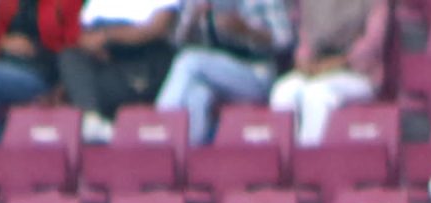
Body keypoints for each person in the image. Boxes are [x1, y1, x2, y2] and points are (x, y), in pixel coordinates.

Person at [155, 0, 292, 144]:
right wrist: (192, 22)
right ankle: (189, 158)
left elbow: (285, 39)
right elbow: (176, 41)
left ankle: (160, 129)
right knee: (198, 96)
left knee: (189, 61)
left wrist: (246, 30)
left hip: (254, 73)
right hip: (212, 73)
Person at [0, 0, 83, 144]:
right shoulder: (7, 3)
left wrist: (34, 48)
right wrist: (0, 42)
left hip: (39, 74)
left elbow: (73, 48)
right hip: (1, 69)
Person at [268, 0, 384, 145]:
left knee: (317, 93)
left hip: (358, 76)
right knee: (284, 90)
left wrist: (330, 65)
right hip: (317, 70)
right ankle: (285, 160)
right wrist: (306, 59)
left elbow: (366, 52)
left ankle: (308, 159)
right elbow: (305, 47)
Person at [61, 0, 180, 140]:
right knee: (70, 54)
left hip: (144, 61)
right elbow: (80, 30)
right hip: (107, 63)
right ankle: (92, 120)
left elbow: (158, 28)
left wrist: (107, 36)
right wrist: (89, 44)